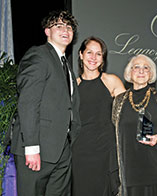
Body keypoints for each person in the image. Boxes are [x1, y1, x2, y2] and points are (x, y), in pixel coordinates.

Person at [10, 10, 80, 196]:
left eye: (69, 26)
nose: (65, 30)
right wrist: (31, 147)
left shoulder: (65, 65)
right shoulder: (39, 56)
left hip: (61, 150)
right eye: (58, 26)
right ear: (47, 31)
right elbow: (28, 102)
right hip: (37, 149)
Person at [112, 54, 157, 196]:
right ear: (129, 72)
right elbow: (113, 133)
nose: (141, 71)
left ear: (151, 73)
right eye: (136, 67)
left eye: (146, 68)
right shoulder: (119, 101)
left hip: (156, 172)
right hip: (129, 174)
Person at [71, 36, 125, 196]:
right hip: (80, 152)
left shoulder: (111, 81)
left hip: (105, 151)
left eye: (99, 54)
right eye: (89, 52)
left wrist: (154, 95)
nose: (93, 58)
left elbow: (131, 107)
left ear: (103, 58)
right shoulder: (73, 86)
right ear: (81, 55)